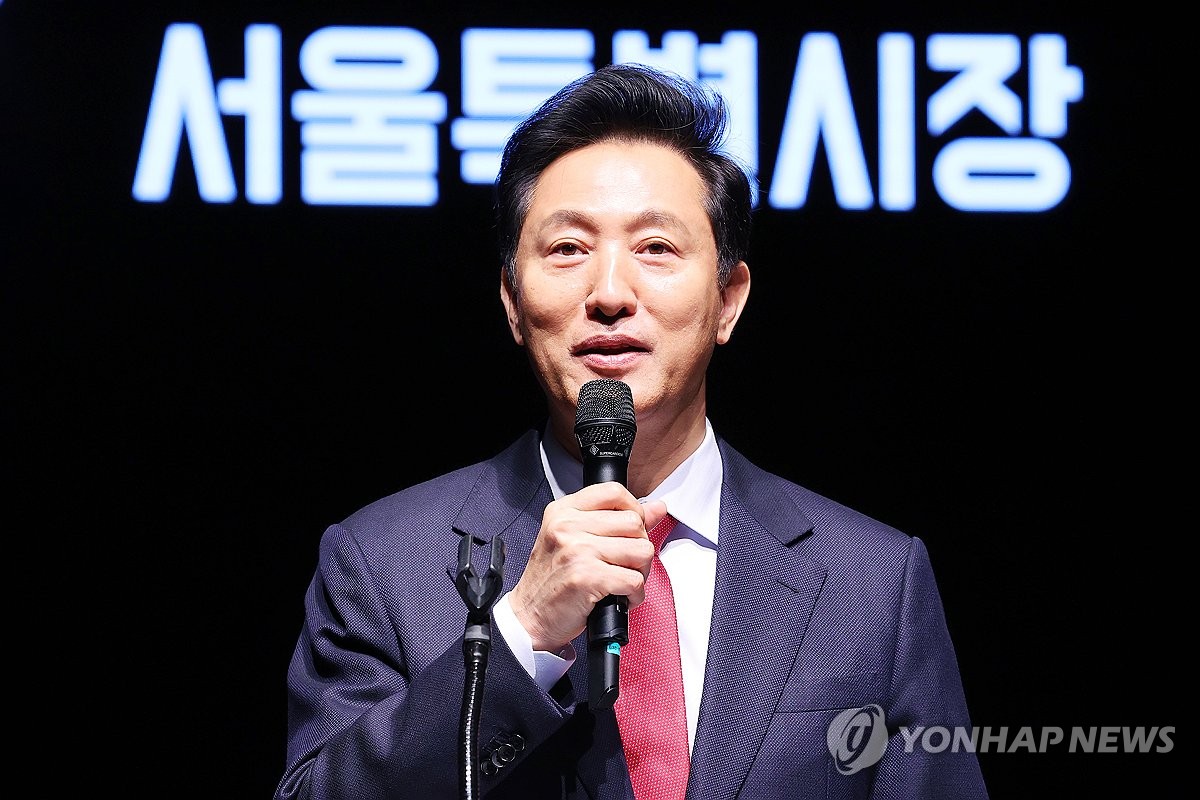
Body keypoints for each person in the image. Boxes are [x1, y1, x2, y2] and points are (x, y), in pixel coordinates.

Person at [275, 62, 989, 800]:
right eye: (567, 250)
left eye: (656, 248)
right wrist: (521, 636)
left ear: (728, 300)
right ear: (513, 305)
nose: (610, 294)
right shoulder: (383, 563)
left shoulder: (873, 581)